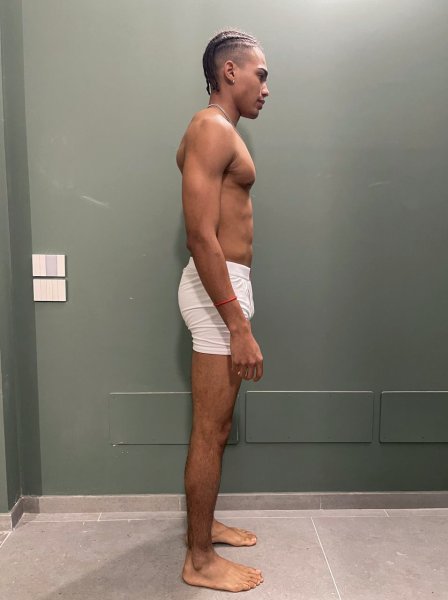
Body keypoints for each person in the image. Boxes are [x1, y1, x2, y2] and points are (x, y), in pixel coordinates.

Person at [176, 28, 269, 593]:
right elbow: (200, 237)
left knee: (218, 425)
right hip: (218, 294)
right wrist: (238, 324)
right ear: (229, 71)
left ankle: (204, 526)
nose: (266, 88)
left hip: (226, 287)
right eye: (261, 75)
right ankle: (199, 558)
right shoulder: (211, 128)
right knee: (210, 430)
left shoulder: (219, 131)